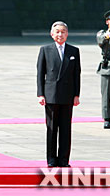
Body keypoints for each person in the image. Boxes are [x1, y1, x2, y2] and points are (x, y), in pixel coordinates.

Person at [37, 21, 81, 167]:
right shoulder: (45, 50)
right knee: (51, 128)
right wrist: (40, 94)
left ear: (67, 34)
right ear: (52, 34)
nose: (60, 34)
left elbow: (77, 75)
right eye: (57, 32)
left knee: (65, 129)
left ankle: (63, 159)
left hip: (67, 95)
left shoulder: (73, 51)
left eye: (63, 32)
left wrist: (76, 95)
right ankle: (51, 159)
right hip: (51, 95)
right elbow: (40, 74)